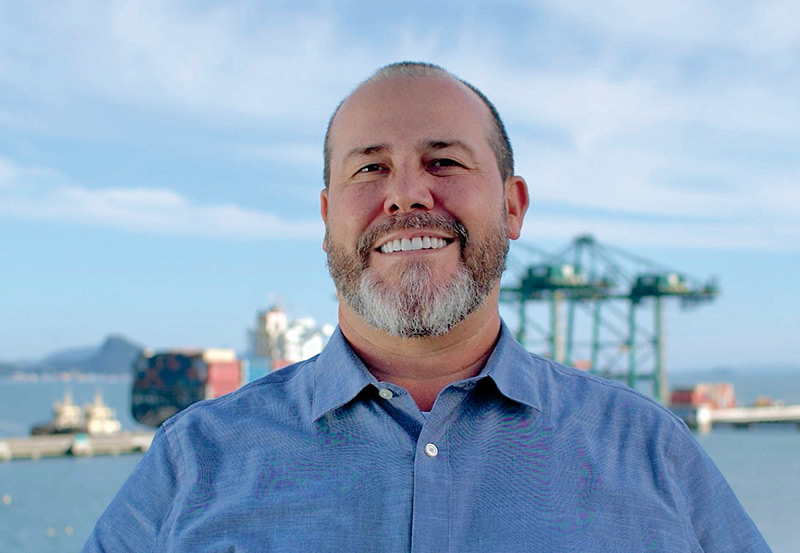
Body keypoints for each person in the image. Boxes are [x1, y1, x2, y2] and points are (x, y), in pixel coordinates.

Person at [83, 62, 770, 552]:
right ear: (326, 217)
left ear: (512, 206)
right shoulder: (193, 461)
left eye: (444, 162)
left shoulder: (654, 453)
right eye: (370, 168)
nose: (407, 194)